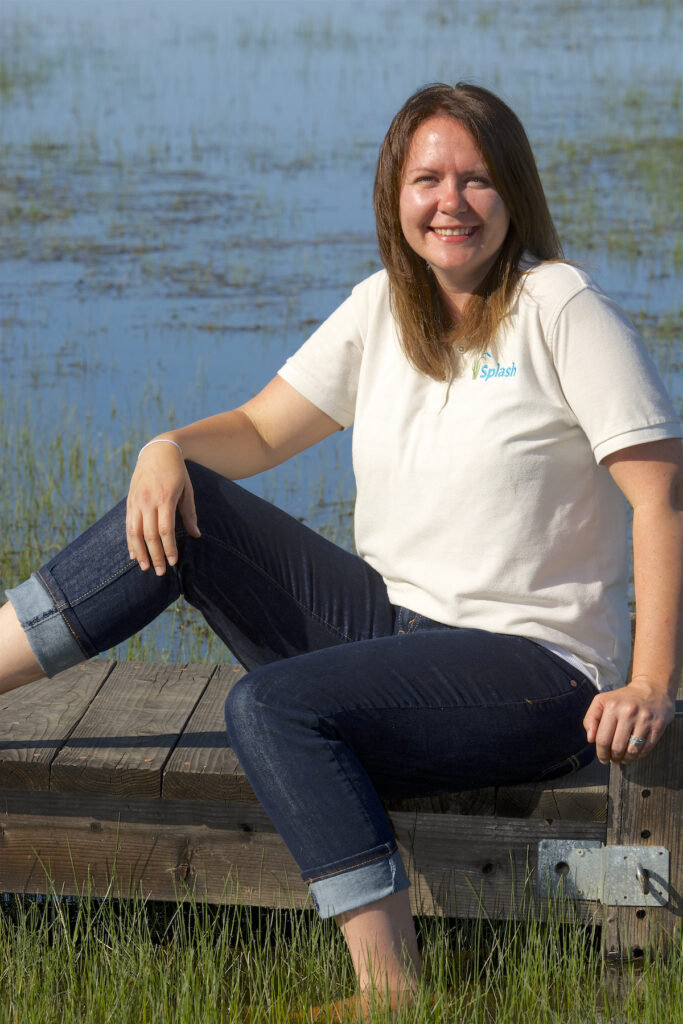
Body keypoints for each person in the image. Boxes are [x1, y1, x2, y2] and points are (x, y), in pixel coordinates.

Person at [1, 82, 681, 1021]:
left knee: (272, 708)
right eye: (428, 179)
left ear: (513, 190)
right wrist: (163, 449)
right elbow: (256, 430)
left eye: (476, 179)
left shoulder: (557, 305)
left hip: (536, 671)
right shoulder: (382, 311)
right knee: (183, 496)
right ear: (393, 196)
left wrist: (647, 683)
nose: (451, 202)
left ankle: (387, 990)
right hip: (392, 635)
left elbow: (661, 497)